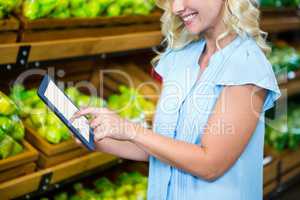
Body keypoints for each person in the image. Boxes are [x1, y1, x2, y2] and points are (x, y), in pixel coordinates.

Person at [72, 0, 281, 199]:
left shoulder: (245, 63)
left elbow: (210, 164)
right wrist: (97, 138)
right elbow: (163, 148)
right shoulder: (182, 57)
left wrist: (129, 130)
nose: (177, 7)